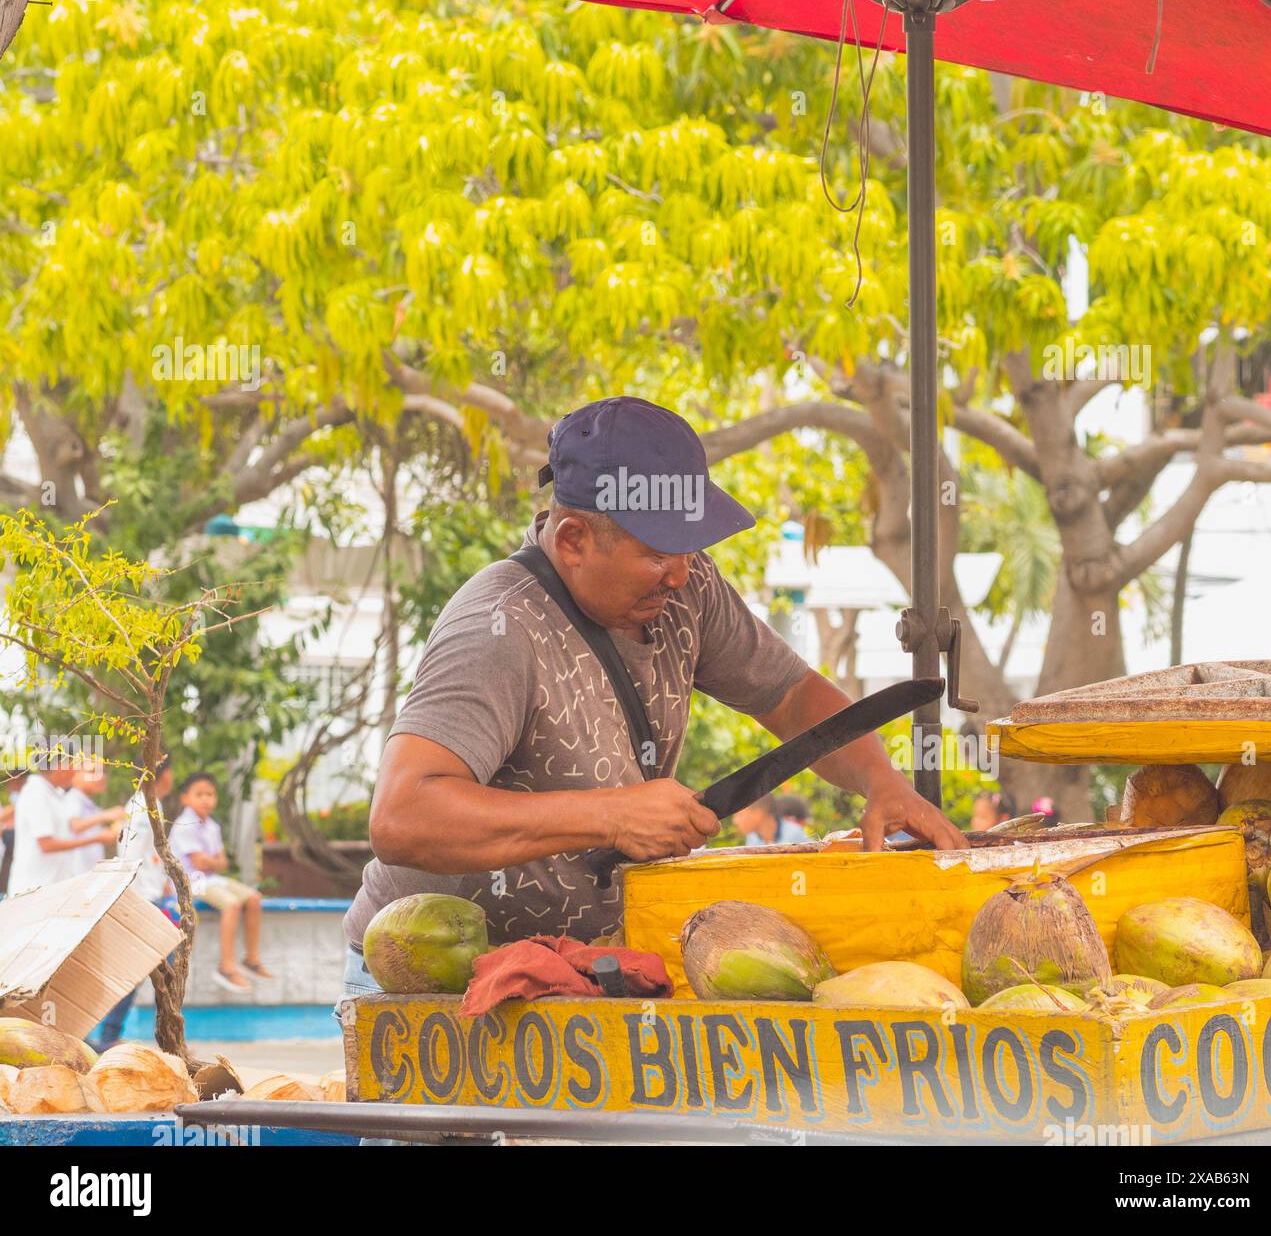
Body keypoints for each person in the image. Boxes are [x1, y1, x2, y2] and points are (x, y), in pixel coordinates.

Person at [339, 397, 965, 1014]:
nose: (681, 572)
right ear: (574, 539)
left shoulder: (689, 588)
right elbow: (402, 816)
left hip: (578, 975)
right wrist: (610, 816)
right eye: (659, 552)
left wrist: (880, 780)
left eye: (690, 546)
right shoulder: (497, 629)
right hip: (436, 983)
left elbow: (794, 695)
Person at [93, 755, 176, 1050]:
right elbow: (129, 856)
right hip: (144, 901)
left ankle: (112, 1036)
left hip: (152, 898)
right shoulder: (142, 809)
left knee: (155, 973)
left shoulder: (149, 805)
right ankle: (115, 1036)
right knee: (159, 973)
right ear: (161, 774)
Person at [169, 772, 271, 992]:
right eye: (199, 794)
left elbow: (222, 862)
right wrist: (212, 861)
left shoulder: (212, 826)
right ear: (185, 798)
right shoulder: (184, 823)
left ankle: (251, 959)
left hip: (211, 879)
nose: (206, 799)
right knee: (232, 904)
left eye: (210, 794)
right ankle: (226, 967)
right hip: (191, 882)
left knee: (254, 898)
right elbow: (200, 862)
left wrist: (211, 861)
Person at [7, 749, 119, 897]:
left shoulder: (56, 795)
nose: (75, 772)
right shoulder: (36, 793)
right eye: (73, 765)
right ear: (59, 765)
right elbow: (46, 844)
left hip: (51, 888)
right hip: (32, 891)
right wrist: (97, 838)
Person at [64, 756, 126, 876]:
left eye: (102, 772)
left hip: (89, 873)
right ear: (75, 774)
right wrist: (105, 815)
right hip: (77, 875)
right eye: (93, 772)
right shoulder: (73, 798)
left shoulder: (89, 803)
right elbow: (75, 826)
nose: (101, 777)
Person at [733, 794, 810, 846]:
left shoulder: (793, 834)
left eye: (739, 815)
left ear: (757, 814)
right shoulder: (752, 837)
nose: (735, 821)